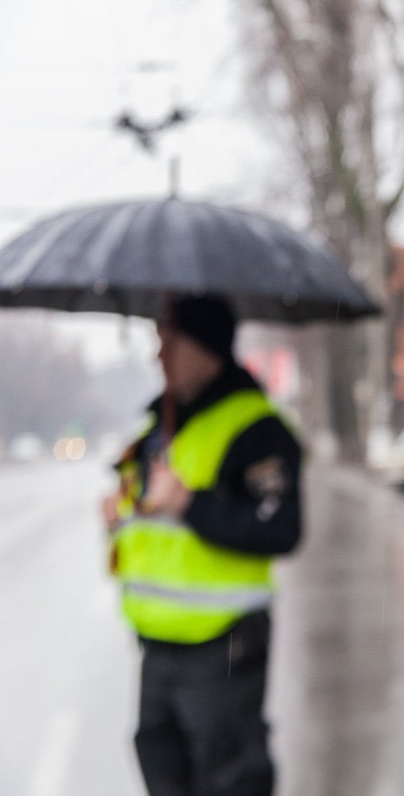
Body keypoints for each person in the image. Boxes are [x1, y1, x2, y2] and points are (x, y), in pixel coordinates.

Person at [102, 294, 302, 796]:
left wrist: (191, 503)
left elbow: (281, 530)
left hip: (224, 647)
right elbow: (147, 519)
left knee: (229, 778)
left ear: (205, 348)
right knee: (163, 767)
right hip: (157, 647)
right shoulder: (158, 426)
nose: (158, 356)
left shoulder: (256, 429)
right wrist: (117, 514)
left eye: (170, 343)